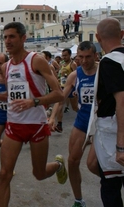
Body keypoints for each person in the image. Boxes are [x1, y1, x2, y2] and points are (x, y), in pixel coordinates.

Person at [0, 22, 66, 207]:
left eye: (12, 36)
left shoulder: (35, 60)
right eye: (5, 37)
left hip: (36, 125)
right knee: (4, 174)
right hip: (14, 126)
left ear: (23, 38)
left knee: (39, 174)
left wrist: (34, 101)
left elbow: (58, 94)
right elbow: (13, 96)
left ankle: (59, 165)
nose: (7, 41)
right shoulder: (5, 67)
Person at [48, 41, 98, 207]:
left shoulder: (103, 72)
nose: (84, 61)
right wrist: (53, 117)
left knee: (96, 165)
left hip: (101, 122)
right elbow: (60, 98)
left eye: (88, 57)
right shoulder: (75, 75)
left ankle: (112, 180)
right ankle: (78, 200)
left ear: (95, 56)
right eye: (80, 57)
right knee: (72, 161)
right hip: (83, 121)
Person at [92, 18, 124, 206]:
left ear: (97, 37)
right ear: (121, 35)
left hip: (113, 135)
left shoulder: (110, 62)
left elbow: (121, 101)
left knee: (111, 188)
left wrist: (120, 146)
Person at [54, 48, 78, 132]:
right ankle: (59, 124)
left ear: (70, 55)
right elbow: (60, 74)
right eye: (62, 55)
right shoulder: (62, 63)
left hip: (71, 88)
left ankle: (85, 117)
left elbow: (77, 75)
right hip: (62, 87)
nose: (63, 57)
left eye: (65, 55)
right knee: (60, 104)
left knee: (75, 107)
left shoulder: (73, 64)